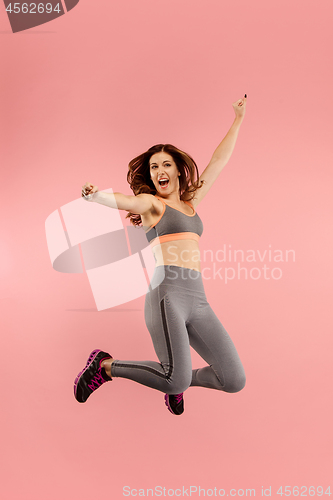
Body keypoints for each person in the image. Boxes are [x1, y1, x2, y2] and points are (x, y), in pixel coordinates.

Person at [74, 95, 247, 415]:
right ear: (151, 177)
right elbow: (128, 201)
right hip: (167, 294)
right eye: (154, 167)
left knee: (233, 378)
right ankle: (105, 366)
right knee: (173, 378)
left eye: (166, 164)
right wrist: (97, 197)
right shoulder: (152, 204)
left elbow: (218, 162)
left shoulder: (191, 201)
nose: (160, 170)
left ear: (179, 170)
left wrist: (237, 120)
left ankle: (177, 384)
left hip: (198, 299)